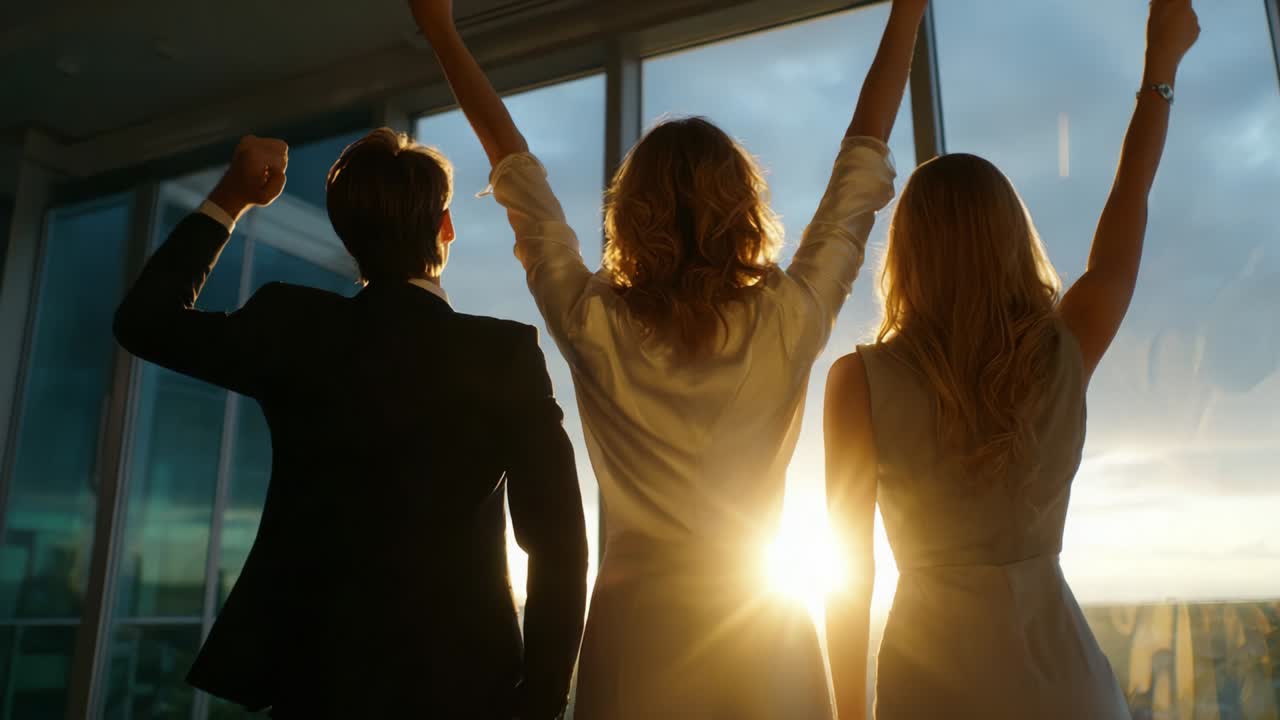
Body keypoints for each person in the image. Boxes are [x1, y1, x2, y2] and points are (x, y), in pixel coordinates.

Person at [410, 0, 924, 715]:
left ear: (632, 212)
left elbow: (515, 173)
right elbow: (861, 168)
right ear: (743, 207)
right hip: (766, 640)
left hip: (636, 641)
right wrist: (907, 12)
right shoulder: (787, 321)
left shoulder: (595, 324)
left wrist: (441, 31)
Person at [113, 130, 588, 719]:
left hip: (315, 681)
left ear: (347, 235)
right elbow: (559, 544)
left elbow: (145, 322)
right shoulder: (502, 354)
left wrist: (230, 199)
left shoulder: (294, 327)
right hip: (464, 686)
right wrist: (541, 700)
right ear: (446, 226)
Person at [822, 0, 1202, 718]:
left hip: (931, 687)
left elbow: (851, 577)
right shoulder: (1064, 348)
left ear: (906, 258)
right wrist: (1161, 69)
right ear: (1010, 241)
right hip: (1066, 685)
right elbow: (1131, 201)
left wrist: (848, 714)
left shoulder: (860, 383)